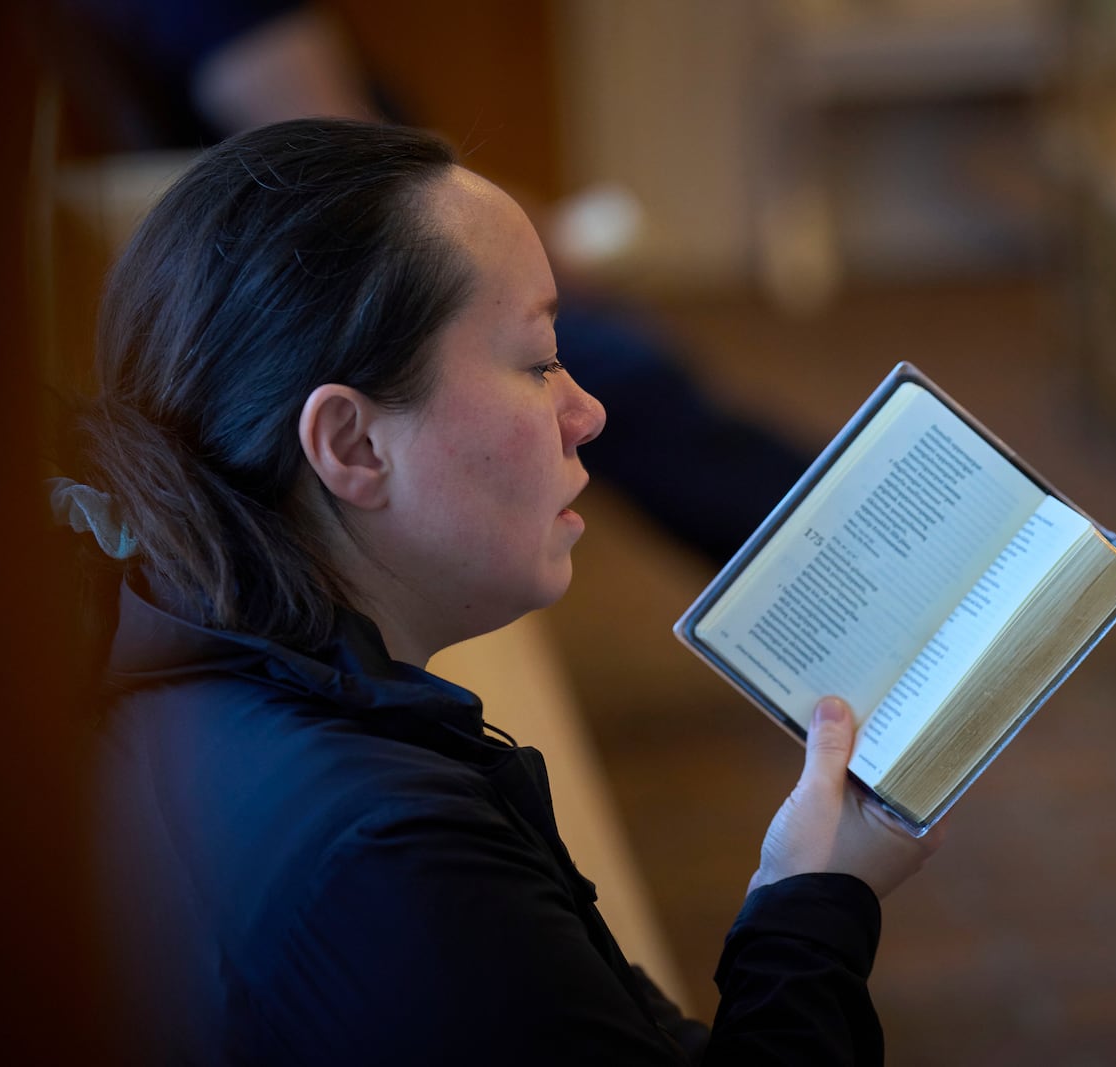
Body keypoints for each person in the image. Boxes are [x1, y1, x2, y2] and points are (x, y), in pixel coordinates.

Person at [62, 118, 941, 1064]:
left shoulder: (174, 654)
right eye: (536, 361)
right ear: (353, 445)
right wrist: (812, 904)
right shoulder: (396, 861)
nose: (588, 410)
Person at [52, 0, 815, 566]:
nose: (580, 415)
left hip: (276, 282)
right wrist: (531, 241)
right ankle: (827, 553)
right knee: (623, 375)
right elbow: (350, 157)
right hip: (334, 280)